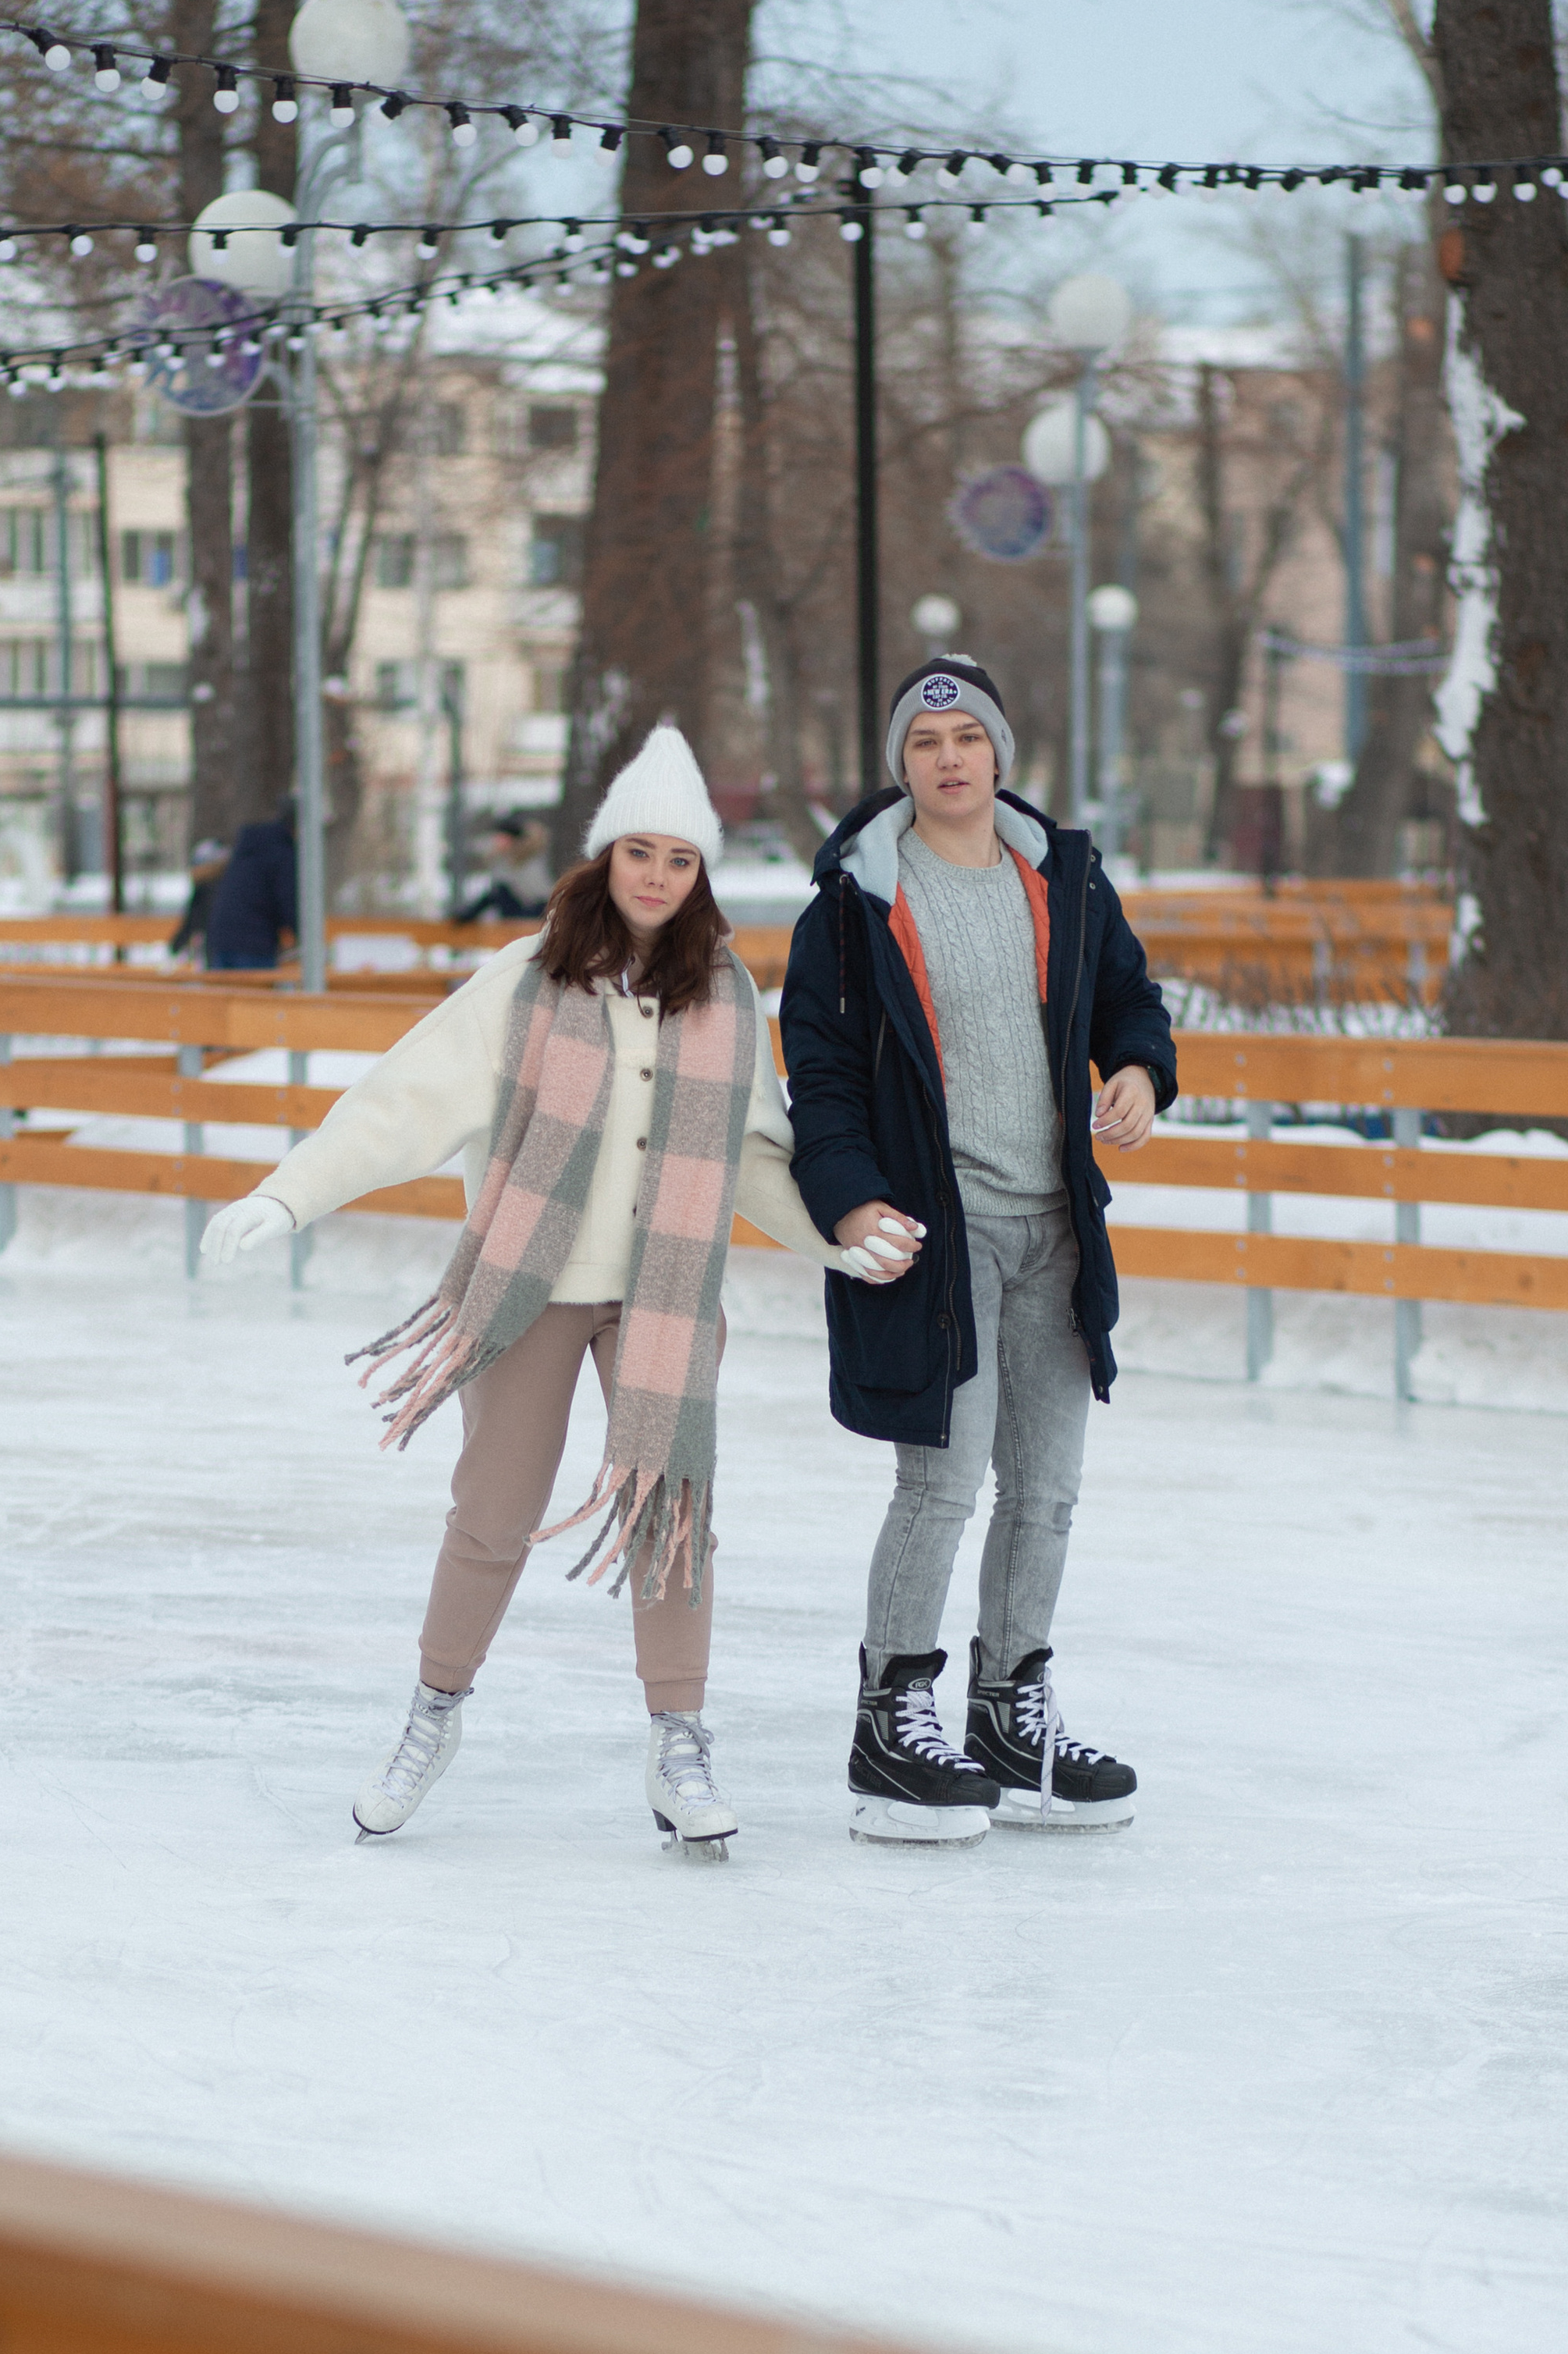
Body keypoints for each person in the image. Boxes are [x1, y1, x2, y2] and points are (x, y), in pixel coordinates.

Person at [199, 727, 879, 1860]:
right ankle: (433, 1713)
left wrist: (829, 1239)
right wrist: (289, 1196)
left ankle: (680, 1740)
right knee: (494, 1514)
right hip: (530, 1287)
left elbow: (759, 1150)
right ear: (606, 856)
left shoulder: (724, 993)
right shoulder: (525, 981)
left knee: (673, 1511)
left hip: (661, 1295)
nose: (659, 876)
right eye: (641, 851)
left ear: (701, 875)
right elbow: (399, 1105)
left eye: (681, 859)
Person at [780, 656, 1178, 1848]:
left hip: (1057, 1227)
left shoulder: (1061, 875)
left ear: (999, 752)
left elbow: (1126, 997)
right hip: (935, 1237)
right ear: (900, 767)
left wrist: (1143, 1069)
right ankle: (892, 1716)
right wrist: (850, 1205)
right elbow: (826, 1076)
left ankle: (1009, 1711)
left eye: (966, 737)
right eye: (922, 743)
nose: (947, 758)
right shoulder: (853, 905)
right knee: (942, 1487)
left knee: (1047, 1490)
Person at [205, 805, 298, 971]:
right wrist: (302, 934)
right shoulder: (282, 853)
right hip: (254, 943)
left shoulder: (249, 848)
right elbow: (287, 900)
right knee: (255, 996)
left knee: (224, 994)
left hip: (221, 939)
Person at [453, 813, 548, 926]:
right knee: (497, 892)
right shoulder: (503, 859)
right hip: (518, 911)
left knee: (499, 891)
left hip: (532, 911)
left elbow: (536, 894)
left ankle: (467, 915)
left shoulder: (524, 859)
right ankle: (466, 916)